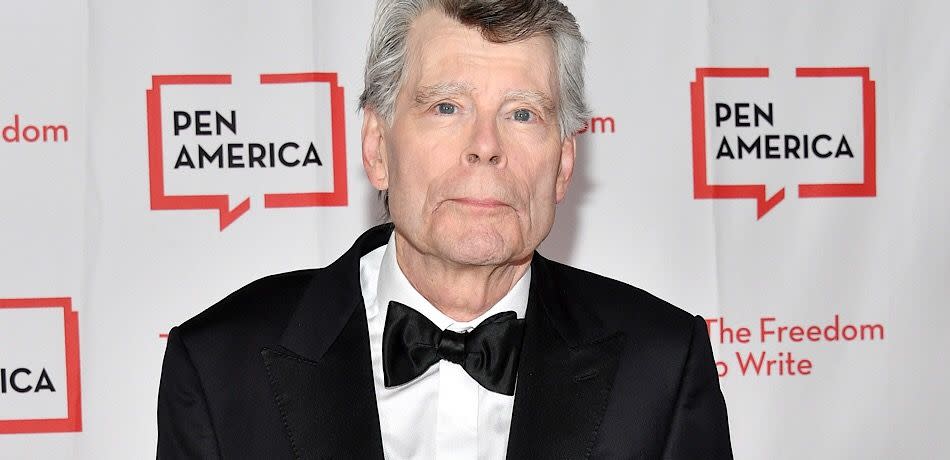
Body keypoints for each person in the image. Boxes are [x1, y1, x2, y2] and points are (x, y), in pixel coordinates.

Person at [157, 0, 733, 458]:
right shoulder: (220, 366)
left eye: (522, 113)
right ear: (377, 146)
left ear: (563, 162)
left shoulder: (662, 368)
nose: (485, 147)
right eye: (447, 107)